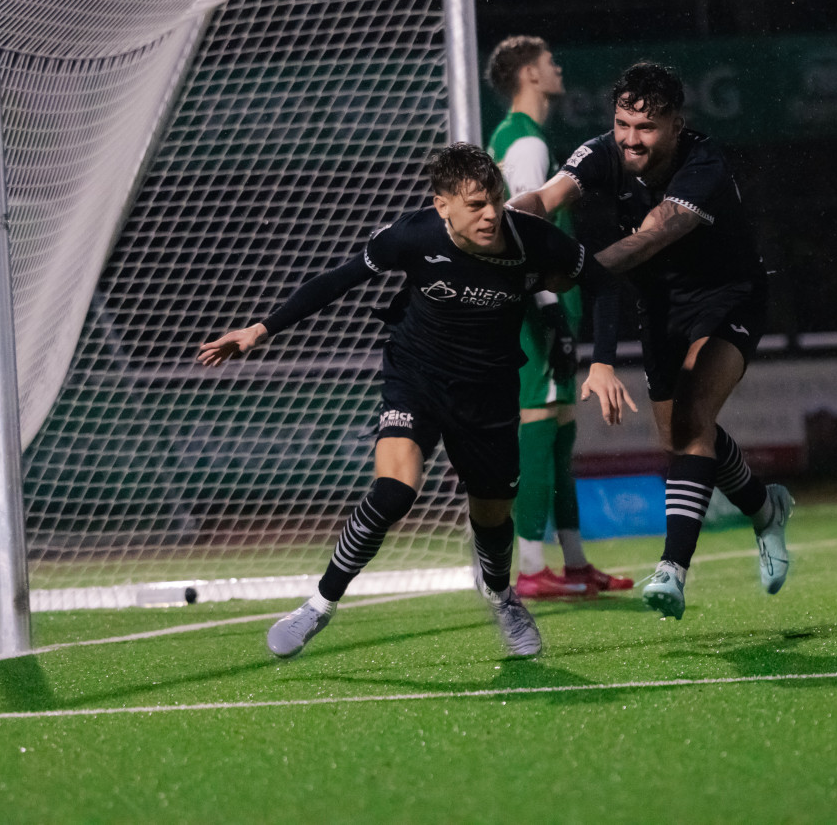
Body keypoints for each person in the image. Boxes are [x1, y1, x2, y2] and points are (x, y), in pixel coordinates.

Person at [197, 143, 634, 659]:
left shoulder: (531, 238)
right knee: (393, 492)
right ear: (441, 204)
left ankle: (500, 595)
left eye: (494, 198)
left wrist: (602, 361)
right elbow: (337, 280)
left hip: (489, 392)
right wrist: (260, 329)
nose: (492, 212)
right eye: (475, 204)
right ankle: (316, 606)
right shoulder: (413, 235)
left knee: (492, 518)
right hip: (416, 378)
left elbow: (603, 283)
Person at [508, 61, 792, 620]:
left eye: (647, 128)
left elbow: (647, 240)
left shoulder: (703, 165)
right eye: (622, 124)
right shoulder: (602, 152)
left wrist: (572, 270)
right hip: (659, 306)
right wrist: (496, 227)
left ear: (677, 125)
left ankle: (672, 570)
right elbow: (545, 198)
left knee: (691, 417)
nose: (631, 140)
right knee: (682, 434)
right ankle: (766, 508)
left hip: (727, 296)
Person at [485, 35, 634, 599]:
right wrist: (547, 307)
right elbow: (526, 232)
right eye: (549, 61)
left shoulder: (514, 138)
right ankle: (528, 568)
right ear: (528, 74)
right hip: (537, 307)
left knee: (560, 436)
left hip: (548, 303)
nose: (558, 66)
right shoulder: (525, 145)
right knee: (537, 430)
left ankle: (573, 562)